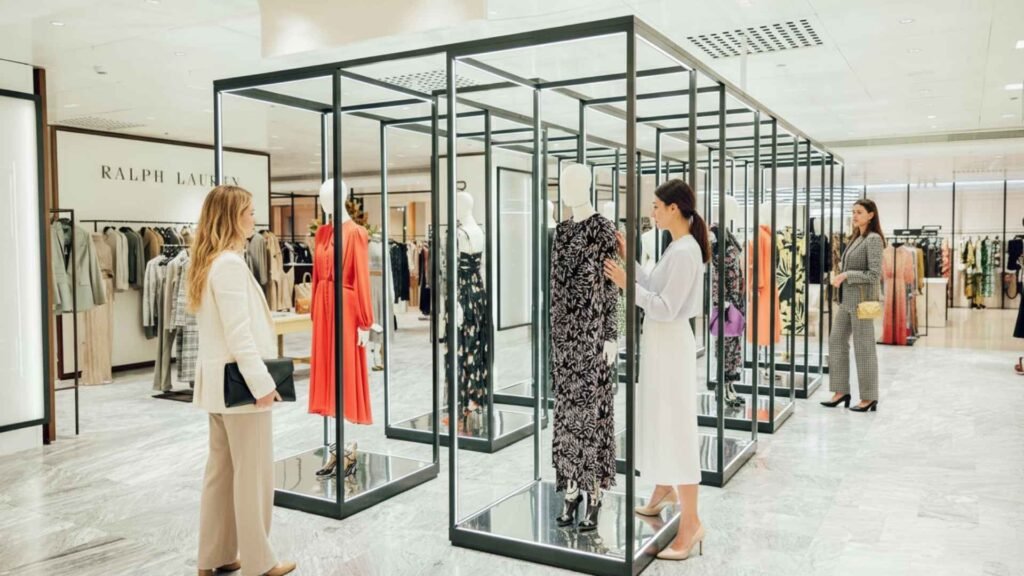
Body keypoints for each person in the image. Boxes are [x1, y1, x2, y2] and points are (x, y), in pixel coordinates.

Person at [187, 185, 296, 576]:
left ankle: (213, 555)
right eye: (249, 211)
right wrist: (262, 382)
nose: (255, 217)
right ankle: (259, 561)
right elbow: (239, 333)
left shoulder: (209, 262)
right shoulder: (229, 265)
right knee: (252, 475)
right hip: (240, 387)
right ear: (232, 216)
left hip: (219, 388)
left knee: (222, 472)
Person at [603, 179, 707, 561]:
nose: (653, 212)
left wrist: (629, 286)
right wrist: (630, 262)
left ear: (675, 208)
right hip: (662, 344)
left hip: (671, 344)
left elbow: (664, 306)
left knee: (677, 427)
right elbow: (654, 286)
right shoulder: (676, 248)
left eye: (657, 206)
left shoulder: (685, 252)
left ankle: (691, 522)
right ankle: (664, 488)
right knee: (663, 419)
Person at [822, 198, 884, 412]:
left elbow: (874, 274)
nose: (855, 215)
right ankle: (841, 391)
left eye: (859, 212)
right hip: (846, 301)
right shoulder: (856, 237)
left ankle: (869, 397)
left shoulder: (874, 239)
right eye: (853, 212)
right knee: (836, 341)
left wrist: (847, 275)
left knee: (864, 348)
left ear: (871, 215)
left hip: (862, 302)